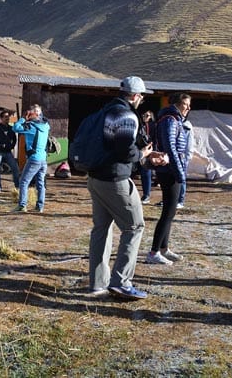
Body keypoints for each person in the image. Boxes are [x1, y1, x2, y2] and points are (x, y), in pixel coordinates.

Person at [88, 76, 168, 301]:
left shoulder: (106, 111)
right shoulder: (126, 115)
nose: (141, 99)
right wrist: (144, 155)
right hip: (115, 179)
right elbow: (125, 151)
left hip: (95, 177)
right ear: (134, 96)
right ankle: (121, 282)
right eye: (141, 95)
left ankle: (97, 283)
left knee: (101, 229)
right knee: (134, 227)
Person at [146, 93, 191, 265]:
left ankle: (164, 248)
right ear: (177, 104)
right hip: (170, 169)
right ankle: (154, 251)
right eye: (186, 104)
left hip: (172, 167)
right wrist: (180, 173)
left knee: (170, 211)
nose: (188, 108)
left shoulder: (174, 119)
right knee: (168, 212)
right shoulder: (170, 119)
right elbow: (170, 147)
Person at [12, 104, 50, 213]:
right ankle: (40, 206)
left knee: (23, 182)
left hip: (34, 158)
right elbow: (42, 119)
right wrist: (36, 115)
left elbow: (16, 128)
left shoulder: (31, 126)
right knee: (40, 183)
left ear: (32, 113)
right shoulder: (46, 125)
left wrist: (24, 118)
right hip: (43, 158)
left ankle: (22, 205)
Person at [0, 110, 19, 192]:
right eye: (5, 117)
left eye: (8, 117)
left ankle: (17, 187)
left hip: (8, 152)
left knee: (15, 168)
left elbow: (14, 139)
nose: (7, 118)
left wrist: (11, 146)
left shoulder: (11, 128)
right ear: (1, 118)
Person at [136, 110, 156, 204]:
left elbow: (154, 139)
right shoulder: (139, 124)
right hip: (137, 151)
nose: (145, 116)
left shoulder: (153, 126)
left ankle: (146, 195)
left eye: (147, 115)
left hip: (148, 151)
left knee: (146, 173)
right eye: (144, 115)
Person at [177, 118, 193, 209]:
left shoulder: (186, 126)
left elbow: (189, 144)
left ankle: (180, 200)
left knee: (181, 179)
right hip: (174, 155)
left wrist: (187, 158)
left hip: (182, 156)